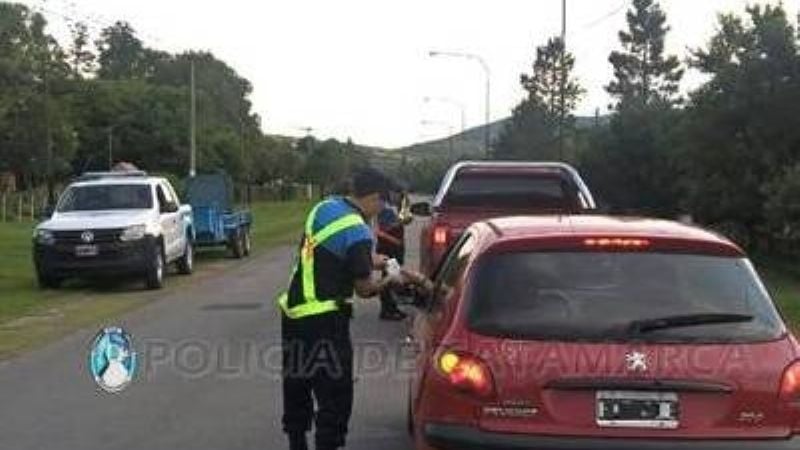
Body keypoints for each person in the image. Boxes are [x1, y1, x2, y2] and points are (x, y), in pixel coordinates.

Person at [277, 168, 421, 450]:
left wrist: (376, 261)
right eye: (384, 202)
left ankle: (296, 442)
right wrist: (390, 279)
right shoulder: (358, 230)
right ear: (374, 198)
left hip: (294, 314)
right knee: (335, 396)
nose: (384, 209)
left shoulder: (325, 208)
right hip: (326, 322)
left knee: (297, 383)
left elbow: (335, 250)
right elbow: (365, 289)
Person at [375, 192, 413, 321]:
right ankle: (387, 310)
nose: (400, 198)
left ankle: (391, 308)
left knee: (393, 277)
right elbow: (380, 229)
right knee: (389, 278)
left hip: (395, 248)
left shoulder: (395, 209)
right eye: (399, 195)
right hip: (388, 248)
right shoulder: (385, 210)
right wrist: (398, 226)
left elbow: (402, 221)